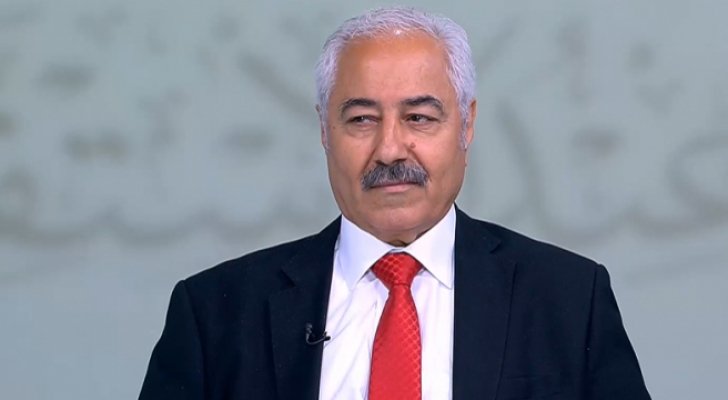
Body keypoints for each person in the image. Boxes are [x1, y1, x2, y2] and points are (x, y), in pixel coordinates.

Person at [139, 6, 651, 400]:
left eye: (419, 118)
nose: (389, 149)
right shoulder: (215, 314)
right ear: (324, 129)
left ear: (467, 125)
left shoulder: (569, 300)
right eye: (361, 119)